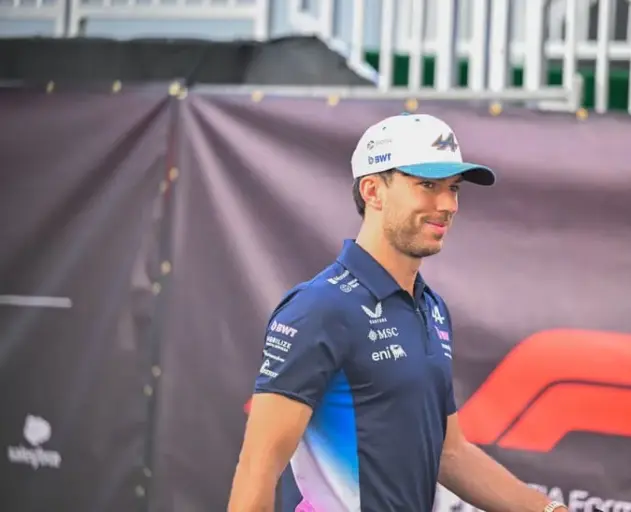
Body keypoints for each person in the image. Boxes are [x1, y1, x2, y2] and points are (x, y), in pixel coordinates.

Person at [228, 113, 568, 512]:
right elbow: (258, 468)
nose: (448, 205)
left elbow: (450, 453)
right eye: (427, 185)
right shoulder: (319, 308)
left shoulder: (431, 307)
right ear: (373, 190)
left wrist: (549, 510)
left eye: (453, 188)